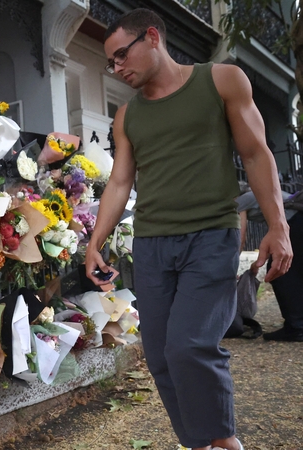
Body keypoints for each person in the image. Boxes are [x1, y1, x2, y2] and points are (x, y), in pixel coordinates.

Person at [84, 9, 293, 450]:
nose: (118, 67)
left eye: (122, 55)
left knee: (190, 346)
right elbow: (120, 182)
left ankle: (226, 442)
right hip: (152, 245)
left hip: (210, 235)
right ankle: (200, 443)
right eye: (111, 62)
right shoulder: (127, 117)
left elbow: (257, 154)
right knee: (161, 357)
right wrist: (94, 242)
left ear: (153, 37)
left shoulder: (221, 80)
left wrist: (278, 226)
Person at [237, 189, 303, 341]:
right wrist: (260, 260)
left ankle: (296, 327)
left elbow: (240, 237)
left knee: (279, 272)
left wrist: (233, 263)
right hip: (297, 222)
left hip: (294, 223)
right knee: (295, 270)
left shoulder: (241, 201)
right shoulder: (261, 193)